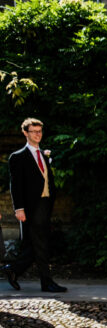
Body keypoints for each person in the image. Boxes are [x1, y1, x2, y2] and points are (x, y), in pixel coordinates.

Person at [2, 118, 66, 292]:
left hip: (45, 204)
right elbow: (15, 185)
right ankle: (47, 282)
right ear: (25, 133)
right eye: (34, 131)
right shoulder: (18, 157)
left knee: (34, 245)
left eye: (39, 131)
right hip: (30, 207)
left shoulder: (44, 155)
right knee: (42, 244)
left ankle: (13, 270)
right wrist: (19, 209)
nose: (38, 134)